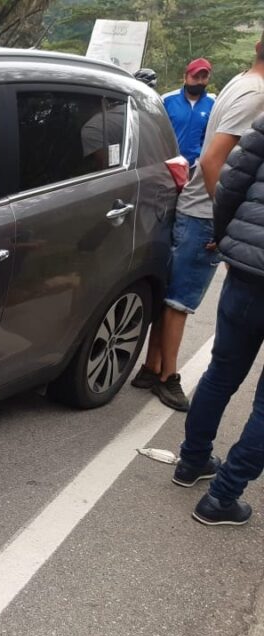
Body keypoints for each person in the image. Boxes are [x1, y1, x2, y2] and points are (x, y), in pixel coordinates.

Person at [132, 37, 264, 411]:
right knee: (181, 300)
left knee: (173, 292)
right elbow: (212, 161)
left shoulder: (241, 82)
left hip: (198, 205)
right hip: (206, 210)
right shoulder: (256, 94)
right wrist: (224, 225)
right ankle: (168, 377)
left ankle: (151, 367)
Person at [174, 111, 264, 525]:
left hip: (247, 270)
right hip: (247, 263)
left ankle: (192, 462)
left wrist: (227, 239)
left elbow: (231, 183)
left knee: (222, 372)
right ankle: (222, 496)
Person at [163, 58, 215, 169]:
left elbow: (211, 135)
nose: (200, 82)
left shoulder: (212, 104)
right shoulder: (167, 100)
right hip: (168, 165)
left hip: (195, 167)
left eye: (204, 77)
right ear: (185, 77)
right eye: (195, 77)